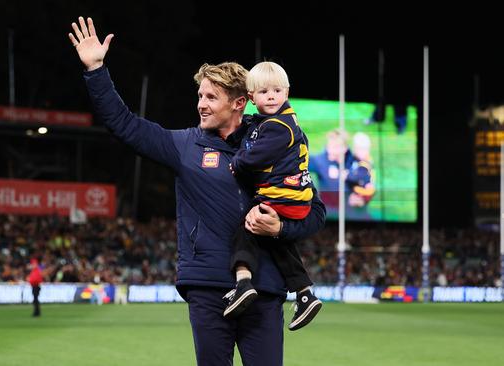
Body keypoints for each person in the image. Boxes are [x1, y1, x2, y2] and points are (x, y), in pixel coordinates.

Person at [68, 17, 326, 365]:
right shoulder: (184, 146)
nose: (201, 104)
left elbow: (316, 212)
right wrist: (96, 70)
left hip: (264, 289)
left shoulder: (275, 139)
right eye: (200, 96)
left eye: (211, 97)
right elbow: (124, 124)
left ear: (239, 103)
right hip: (208, 287)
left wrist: (281, 228)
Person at [224, 61, 322, 331]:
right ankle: (304, 293)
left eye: (277, 91)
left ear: (287, 92)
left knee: (247, 227)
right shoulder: (274, 122)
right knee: (276, 240)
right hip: (294, 198)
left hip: (283, 195)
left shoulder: (280, 125)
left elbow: (258, 155)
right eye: (264, 91)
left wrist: (238, 161)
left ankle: (243, 282)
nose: (271, 96)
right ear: (252, 97)